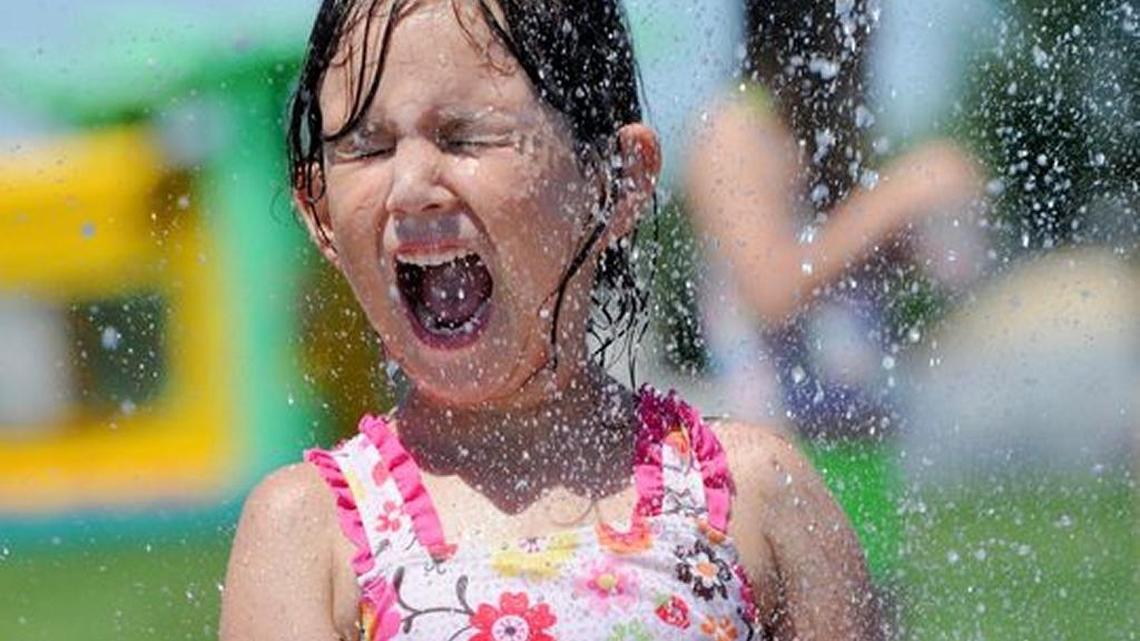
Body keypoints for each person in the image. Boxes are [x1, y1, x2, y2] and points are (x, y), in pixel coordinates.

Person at [219, 2, 878, 640]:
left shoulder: (754, 496)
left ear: (615, 182)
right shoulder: (309, 536)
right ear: (320, 211)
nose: (411, 185)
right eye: (368, 148)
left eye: (464, 135)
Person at [680, 0, 985, 586]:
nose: (873, 27)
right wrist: (899, 196)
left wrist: (925, 245)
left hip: (859, 456)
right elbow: (769, 288)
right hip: (774, 465)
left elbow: (839, 270)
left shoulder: (825, 136)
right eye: (858, 12)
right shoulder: (737, 130)